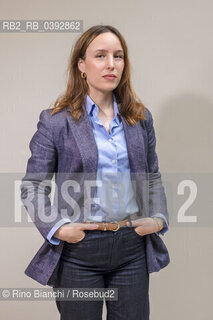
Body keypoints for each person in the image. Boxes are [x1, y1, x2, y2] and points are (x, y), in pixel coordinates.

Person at [20, 24, 170, 320]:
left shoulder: (139, 118)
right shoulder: (55, 122)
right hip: (79, 251)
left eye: (118, 56)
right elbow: (32, 186)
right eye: (100, 55)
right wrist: (59, 228)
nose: (111, 64)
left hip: (131, 248)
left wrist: (158, 217)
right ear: (81, 65)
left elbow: (152, 176)